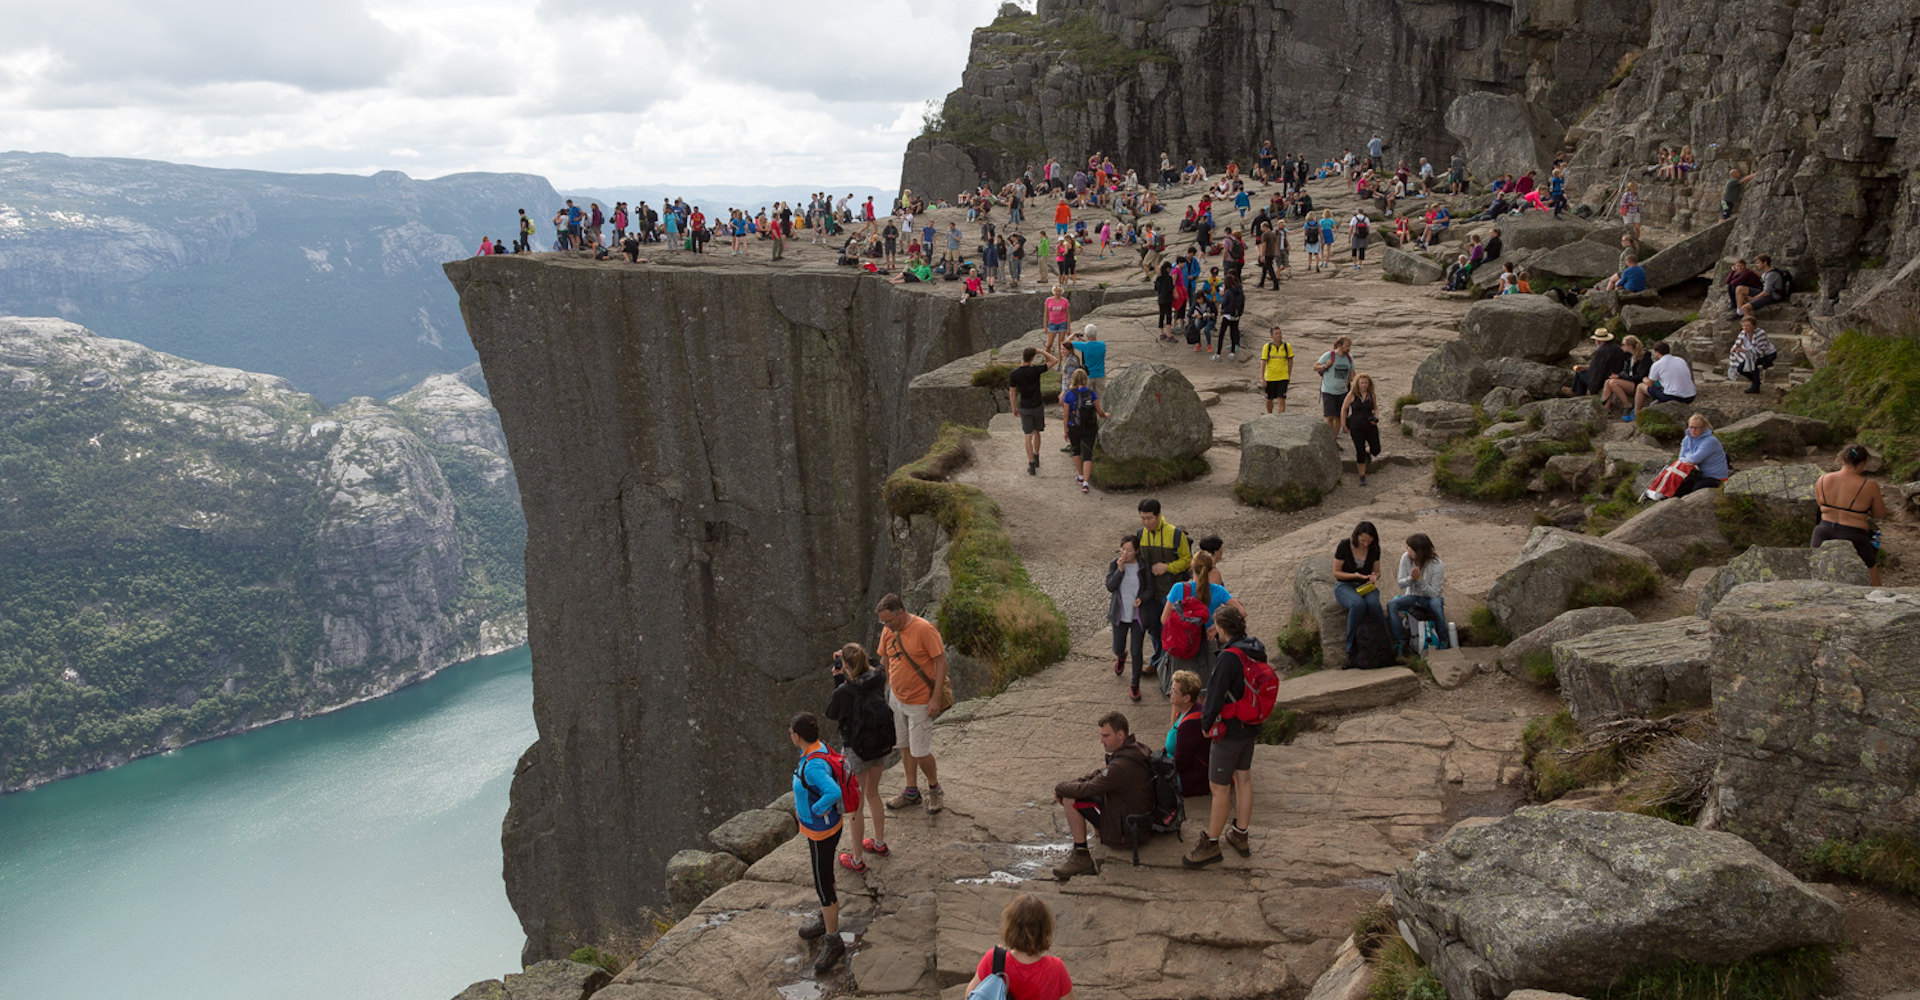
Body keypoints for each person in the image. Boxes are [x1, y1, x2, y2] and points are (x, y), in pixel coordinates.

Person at [1182, 605, 1267, 868]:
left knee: (1219, 788)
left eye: (1216, 627)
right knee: (1243, 778)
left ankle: (1211, 843)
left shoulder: (1229, 657)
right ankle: (1240, 834)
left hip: (1230, 729)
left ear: (1222, 629)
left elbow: (1216, 696)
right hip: (1250, 724)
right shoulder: (1256, 646)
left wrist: (1206, 725)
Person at [1050, 711, 1155, 881]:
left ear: (1120, 735)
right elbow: (1101, 774)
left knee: (1070, 798)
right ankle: (1098, 832)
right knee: (1074, 791)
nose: (1101, 740)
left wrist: (1060, 788)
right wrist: (1076, 782)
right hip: (1138, 822)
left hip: (1125, 833)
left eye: (1106, 736)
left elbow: (1089, 788)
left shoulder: (1120, 767)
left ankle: (1081, 855)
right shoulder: (1136, 749)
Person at [877, 593, 948, 814]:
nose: (887, 626)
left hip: (920, 701)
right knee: (904, 747)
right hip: (896, 698)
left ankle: (934, 788)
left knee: (920, 751)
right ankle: (911, 792)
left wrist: (935, 698)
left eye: (889, 621)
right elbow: (885, 661)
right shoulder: (889, 631)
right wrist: (884, 692)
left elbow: (940, 661)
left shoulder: (924, 629)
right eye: (883, 622)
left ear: (902, 612)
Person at [825, 644, 892, 872]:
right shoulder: (879, 677)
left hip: (857, 751)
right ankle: (880, 843)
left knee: (856, 804)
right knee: (874, 794)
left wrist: (838, 679)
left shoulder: (844, 690)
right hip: (880, 746)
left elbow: (832, 713)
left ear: (845, 665)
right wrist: (854, 656)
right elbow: (874, 663)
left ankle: (856, 858)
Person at [789, 712, 847, 973]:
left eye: (791, 731)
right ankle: (827, 920)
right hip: (826, 828)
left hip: (821, 832)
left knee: (823, 885)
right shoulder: (817, 747)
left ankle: (833, 939)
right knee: (826, 876)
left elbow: (832, 791)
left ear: (797, 736)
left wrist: (820, 809)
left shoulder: (811, 764)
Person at [964, 894, 1075, 1000]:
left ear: (1009, 928)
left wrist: (998, 958)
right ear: (1045, 931)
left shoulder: (994, 960)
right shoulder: (1056, 969)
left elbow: (970, 995)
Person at [1160, 550, 1240, 695]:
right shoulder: (1218, 591)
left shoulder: (1178, 588)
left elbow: (1164, 619)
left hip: (1182, 646)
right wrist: (1216, 627)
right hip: (1207, 645)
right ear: (1211, 569)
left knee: (1179, 693)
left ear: (1192, 567)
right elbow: (1241, 611)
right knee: (1204, 692)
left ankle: (1180, 718)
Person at [1813, 444, 1887, 585]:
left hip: (1823, 531)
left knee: (1815, 569)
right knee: (1871, 568)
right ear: (1864, 463)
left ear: (1841, 458)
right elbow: (1880, 514)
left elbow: (1820, 504)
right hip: (1854, 535)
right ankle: (1880, 598)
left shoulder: (1822, 479)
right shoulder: (1869, 485)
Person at [1134, 498, 1192, 666]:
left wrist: (1167, 567)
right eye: (1142, 518)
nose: (1145, 522)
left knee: (1171, 628)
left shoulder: (1176, 534)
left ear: (1159, 515)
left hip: (1169, 592)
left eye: (1149, 518)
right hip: (1150, 593)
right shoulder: (1140, 534)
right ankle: (1159, 662)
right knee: (1154, 629)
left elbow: (1187, 560)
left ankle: (1169, 663)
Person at [1331, 521, 1386, 663]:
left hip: (1365, 585)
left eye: (1369, 541)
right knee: (1358, 604)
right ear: (1356, 536)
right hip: (1346, 585)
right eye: (1363, 541)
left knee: (1374, 604)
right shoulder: (1344, 545)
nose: (1366, 544)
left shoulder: (1374, 549)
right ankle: (1351, 646)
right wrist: (1355, 575)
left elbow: (1377, 571)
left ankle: (1383, 640)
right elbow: (1337, 573)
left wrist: (1374, 576)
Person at [1108, 535, 1151, 698]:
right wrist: (1119, 571)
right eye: (1123, 549)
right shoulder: (1115, 564)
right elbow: (1110, 587)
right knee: (1118, 647)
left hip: (1137, 616)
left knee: (1137, 651)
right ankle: (1121, 656)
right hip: (1120, 614)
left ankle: (1135, 684)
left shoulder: (1142, 566)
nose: (1125, 553)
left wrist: (1142, 598)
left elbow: (1149, 589)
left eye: (1129, 550)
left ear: (1137, 551)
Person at [1386, 534, 1446, 654]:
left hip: (1431, 598)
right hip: (1412, 597)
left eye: (1410, 548)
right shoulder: (1406, 558)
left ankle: (1444, 639)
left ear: (1419, 551)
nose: (1407, 550)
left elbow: (1434, 593)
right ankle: (1400, 642)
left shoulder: (1437, 565)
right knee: (1392, 604)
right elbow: (1401, 583)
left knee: (1436, 606)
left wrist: (1419, 581)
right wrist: (1411, 579)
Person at [1008, 346, 1056, 475]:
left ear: (1022, 357)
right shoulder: (1036, 370)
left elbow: (1012, 393)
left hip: (1025, 406)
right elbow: (1054, 360)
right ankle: (1036, 456)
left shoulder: (1015, 373)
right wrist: (1041, 351)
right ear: (1032, 358)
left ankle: (1031, 464)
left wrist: (1014, 408)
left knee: (1027, 435)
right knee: (1037, 432)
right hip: (1038, 405)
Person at [1061, 370, 1108, 493]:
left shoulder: (1069, 394)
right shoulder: (1091, 394)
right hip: (1089, 428)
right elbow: (1099, 411)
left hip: (1074, 428)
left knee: (1076, 451)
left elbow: (1066, 415)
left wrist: (1065, 430)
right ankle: (1086, 483)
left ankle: (1080, 475)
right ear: (1085, 379)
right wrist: (1106, 415)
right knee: (1087, 454)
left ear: (1073, 379)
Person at [1166, 670, 1209, 798]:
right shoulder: (1190, 710)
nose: (1170, 693)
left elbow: (1181, 762)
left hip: (1190, 779)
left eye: (1175, 691)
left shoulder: (1190, 724)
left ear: (1186, 698)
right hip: (1184, 770)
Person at [1631, 340, 1697, 420]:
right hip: (1691, 396)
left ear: (1657, 352)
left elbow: (1650, 384)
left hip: (1673, 396)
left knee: (1640, 387)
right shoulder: (1681, 360)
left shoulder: (1657, 364)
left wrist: (1644, 379)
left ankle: (1636, 414)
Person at [1670, 413, 1731, 497]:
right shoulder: (1687, 439)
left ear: (1704, 428)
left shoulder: (1710, 441)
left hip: (1715, 477)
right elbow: (1680, 458)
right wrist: (1688, 459)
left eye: (1696, 428)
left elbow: (1695, 459)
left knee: (1695, 491)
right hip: (1699, 474)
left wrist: (1688, 458)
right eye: (1691, 427)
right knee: (1680, 488)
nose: (1693, 430)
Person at [1342, 373, 1382, 486]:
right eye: (1361, 383)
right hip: (1356, 427)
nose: (1363, 385)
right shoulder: (1352, 395)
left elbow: (1375, 408)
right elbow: (1344, 409)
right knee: (1359, 452)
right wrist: (1343, 424)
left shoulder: (1371, 395)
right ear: (1357, 384)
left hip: (1370, 426)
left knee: (1376, 449)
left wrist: (1376, 417)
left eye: (1365, 383)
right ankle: (1362, 476)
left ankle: (1367, 451)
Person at [1601, 334, 1652, 415]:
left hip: (1638, 384)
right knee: (1608, 381)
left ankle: (1627, 405)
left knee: (1613, 382)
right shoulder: (1629, 356)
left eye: (1623, 344)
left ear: (1630, 346)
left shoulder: (1644, 357)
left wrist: (1620, 376)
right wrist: (1618, 375)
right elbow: (1625, 371)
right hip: (1630, 381)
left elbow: (1639, 376)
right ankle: (1605, 410)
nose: (1622, 346)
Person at [1314, 336, 1355, 436]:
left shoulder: (1349, 357)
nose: (1348, 349)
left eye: (1349, 346)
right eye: (1347, 346)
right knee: (1329, 417)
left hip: (1342, 392)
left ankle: (1333, 440)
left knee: (1339, 417)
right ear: (1340, 346)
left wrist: (1350, 380)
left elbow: (1352, 371)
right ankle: (1329, 440)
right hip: (1328, 391)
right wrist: (1325, 366)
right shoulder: (1329, 355)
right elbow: (1315, 366)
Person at [1728, 315, 1777, 394]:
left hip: (1767, 355)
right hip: (1751, 355)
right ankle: (1756, 381)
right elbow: (1738, 342)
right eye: (1744, 326)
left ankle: (1755, 386)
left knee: (1753, 364)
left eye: (1748, 326)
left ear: (1753, 326)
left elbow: (1761, 351)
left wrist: (1744, 350)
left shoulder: (1760, 334)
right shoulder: (1743, 333)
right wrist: (1734, 348)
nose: (1745, 328)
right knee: (1740, 368)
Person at [1572, 328, 1625, 397]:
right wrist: (1586, 367)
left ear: (1598, 341)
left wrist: (1593, 387)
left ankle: (1577, 394)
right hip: (1615, 376)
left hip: (1603, 380)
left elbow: (1596, 371)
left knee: (1579, 374)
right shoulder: (1618, 349)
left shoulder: (1601, 352)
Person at [1735, 254, 1789, 318]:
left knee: (1744, 308)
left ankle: (1751, 325)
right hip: (1766, 292)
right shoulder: (1767, 272)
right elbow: (1762, 276)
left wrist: (1753, 298)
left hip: (1773, 296)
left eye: (1758, 263)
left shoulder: (1771, 274)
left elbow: (1766, 292)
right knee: (1740, 288)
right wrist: (1750, 270)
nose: (1757, 265)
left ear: (1765, 263)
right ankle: (1739, 312)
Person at [1260, 326, 1294, 414]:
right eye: (1276, 333)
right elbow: (1263, 362)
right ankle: (1270, 416)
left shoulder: (1287, 346)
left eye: (1280, 333)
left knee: (1281, 400)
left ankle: (1280, 420)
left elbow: (1290, 360)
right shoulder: (1267, 347)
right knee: (1269, 400)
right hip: (1270, 377)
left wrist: (1288, 375)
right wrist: (1262, 378)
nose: (1279, 335)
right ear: (1272, 336)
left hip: (1283, 377)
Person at [1214, 274, 1245, 361]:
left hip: (1227, 315)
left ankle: (1218, 354)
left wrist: (1222, 295)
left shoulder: (1228, 292)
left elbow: (1224, 303)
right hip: (1236, 315)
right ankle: (1232, 353)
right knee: (1233, 333)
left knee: (1222, 334)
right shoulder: (1239, 290)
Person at [1077, 323, 1108, 395]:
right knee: (1101, 397)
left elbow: (1066, 343)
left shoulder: (1084, 346)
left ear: (1087, 335)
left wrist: (1074, 334)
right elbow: (1092, 346)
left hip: (1088, 375)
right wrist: (1085, 342)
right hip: (1100, 374)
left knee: (1087, 397)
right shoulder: (1102, 345)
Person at [1044, 284, 1073, 359]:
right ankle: (1046, 361)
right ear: (1054, 291)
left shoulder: (1065, 301)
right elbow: (1046, 314)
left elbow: (1068, 315)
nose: (1058, 293)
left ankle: (1060, 362)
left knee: (1061, 345)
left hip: (1062, 324)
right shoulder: (1048, 300)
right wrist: (1045, 327)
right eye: (1056, 291)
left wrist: (1068, 328)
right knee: (1048, 345)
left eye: (1059, 291)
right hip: (1052, 324)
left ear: (1061, 292)